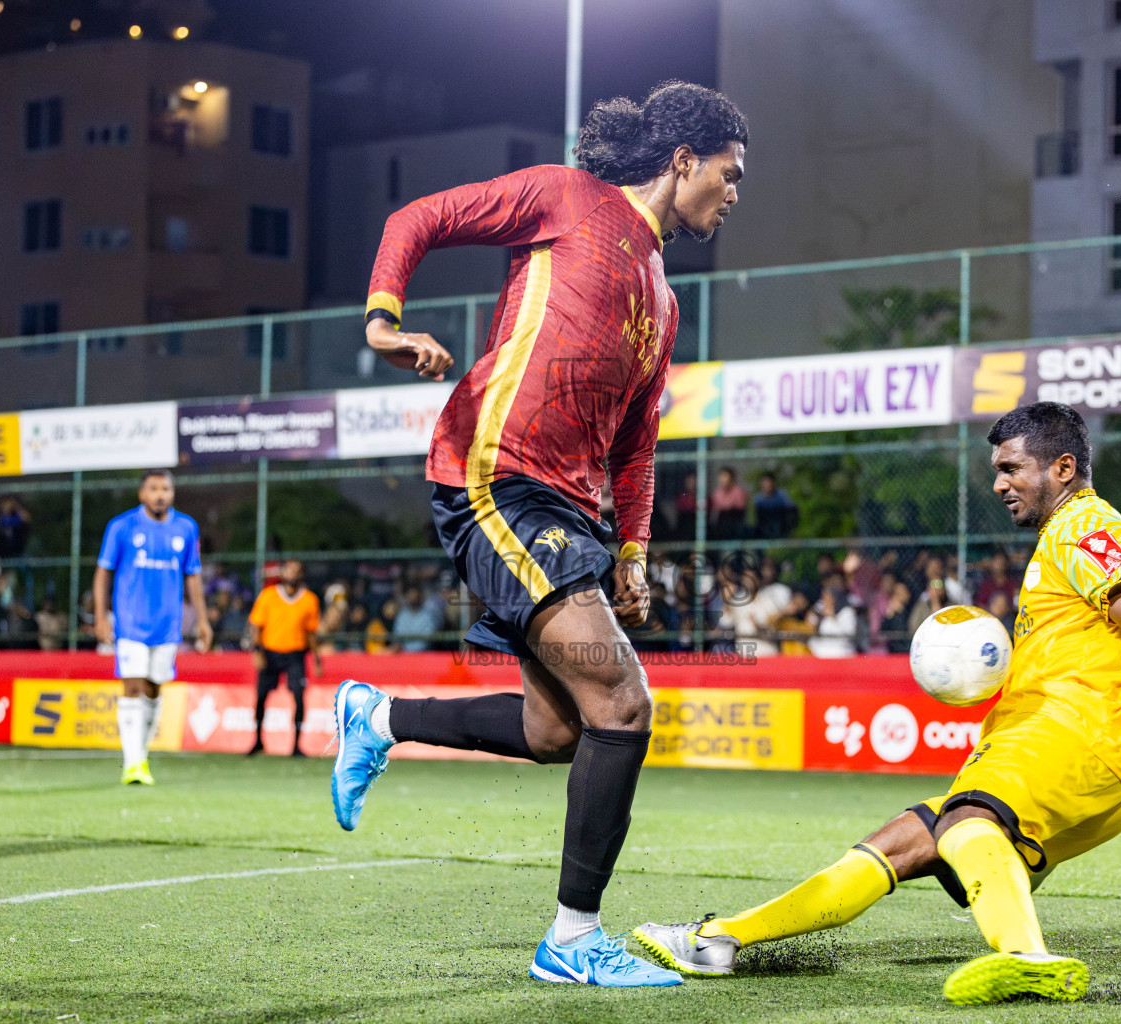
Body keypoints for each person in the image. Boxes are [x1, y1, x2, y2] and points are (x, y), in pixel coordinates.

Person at [632, 402, 1121, 1004]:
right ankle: (719, 940)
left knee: (963, 824)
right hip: (1072, 747)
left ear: (1065, 468)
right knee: (900, 842)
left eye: (1013, 468)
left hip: (1079, 734)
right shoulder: (1060, 540)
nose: (999, 484)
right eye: (998, 469)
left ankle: (1026, 958)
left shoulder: (1087, 528)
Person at [332, 80, 747, 988]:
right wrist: (384, 324)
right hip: (496, 474)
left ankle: (378, 717)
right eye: (729, 171)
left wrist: (633, 553)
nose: (734, 191)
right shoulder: (568, 198)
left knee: (558, 729)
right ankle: (571, 939)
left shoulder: (666, 301)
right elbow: (419, 217)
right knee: (624, 704)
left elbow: (638, 447)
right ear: (683, 161)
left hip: (569, 509)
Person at [94, 470, 212, 786]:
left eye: (166, 489)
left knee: (153, 688)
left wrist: (202, 619)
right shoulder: (121, 527)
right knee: (132, 687)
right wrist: (101, 615)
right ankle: (132, 763)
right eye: (154, 489)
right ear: (142, 494)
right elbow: (103, 572)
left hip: (167, 625)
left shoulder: (186, 527)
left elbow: (193, 575)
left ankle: (140, 755)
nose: (160, 494)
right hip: (130, 623)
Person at [247, 559, 321, 757]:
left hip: (296, 654)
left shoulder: (309, 600)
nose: (292, 574)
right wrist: (257, 652)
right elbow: (256, 626)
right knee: (261, 696)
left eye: (296, 570)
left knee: (298, 695)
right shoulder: (269, 595)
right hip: (269, 652)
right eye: (289, 569)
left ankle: (297, 745)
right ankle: (258, 740)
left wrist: (316, 659)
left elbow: (311, 633)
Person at [752, 472, 798, 539]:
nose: (767, 485)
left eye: (769, 482)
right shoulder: (758, 498)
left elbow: (792, 511)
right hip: (765, 527)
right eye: (764, 483)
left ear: (773, 483)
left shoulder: (782, 495)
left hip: (780, 525)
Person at [709, 467, 749, 540]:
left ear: (732, 479)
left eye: (725, 476)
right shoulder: (717, 492)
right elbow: (716, 507)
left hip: (735, 523)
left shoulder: (738, 491)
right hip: (721, 524)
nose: (722, 479)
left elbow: (740, 507)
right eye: (721, 476)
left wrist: (726, 505)